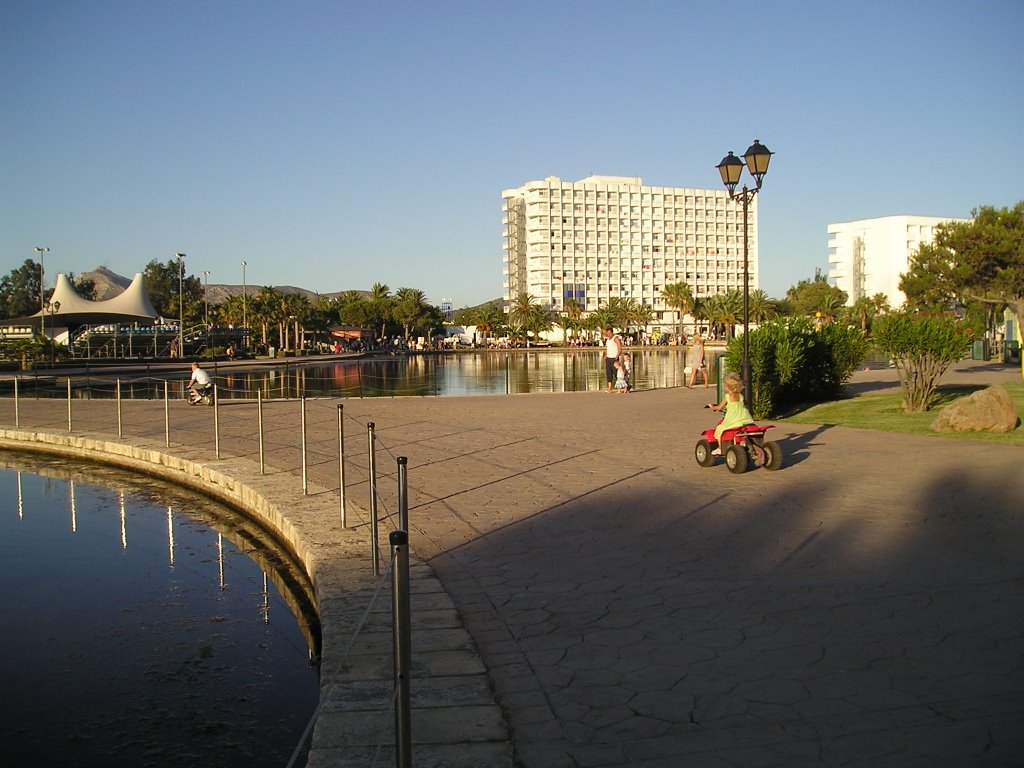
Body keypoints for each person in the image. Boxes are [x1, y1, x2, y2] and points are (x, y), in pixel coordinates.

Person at [708, 373, 754, 455]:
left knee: (719, 429)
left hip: (733, 419)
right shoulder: (740, 396)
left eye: (725, 385)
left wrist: (712, 407)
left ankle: (720, 448)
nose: (724, 387)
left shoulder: (727, 396)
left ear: (728, 387)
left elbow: (719, 408)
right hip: (744, 418)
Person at [603, 327, 623, 393]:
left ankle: (619, 388)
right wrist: (606, 354)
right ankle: (610, 388)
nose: (607, 334)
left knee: (616, 373)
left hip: (614, 358)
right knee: (609, 373)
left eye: (608, 333)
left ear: (611, 332)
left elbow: (619, 347)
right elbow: (608, 348)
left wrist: (617, 356)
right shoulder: (608, 339)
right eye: (607, 333)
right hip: (608, 358)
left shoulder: (615, 338)